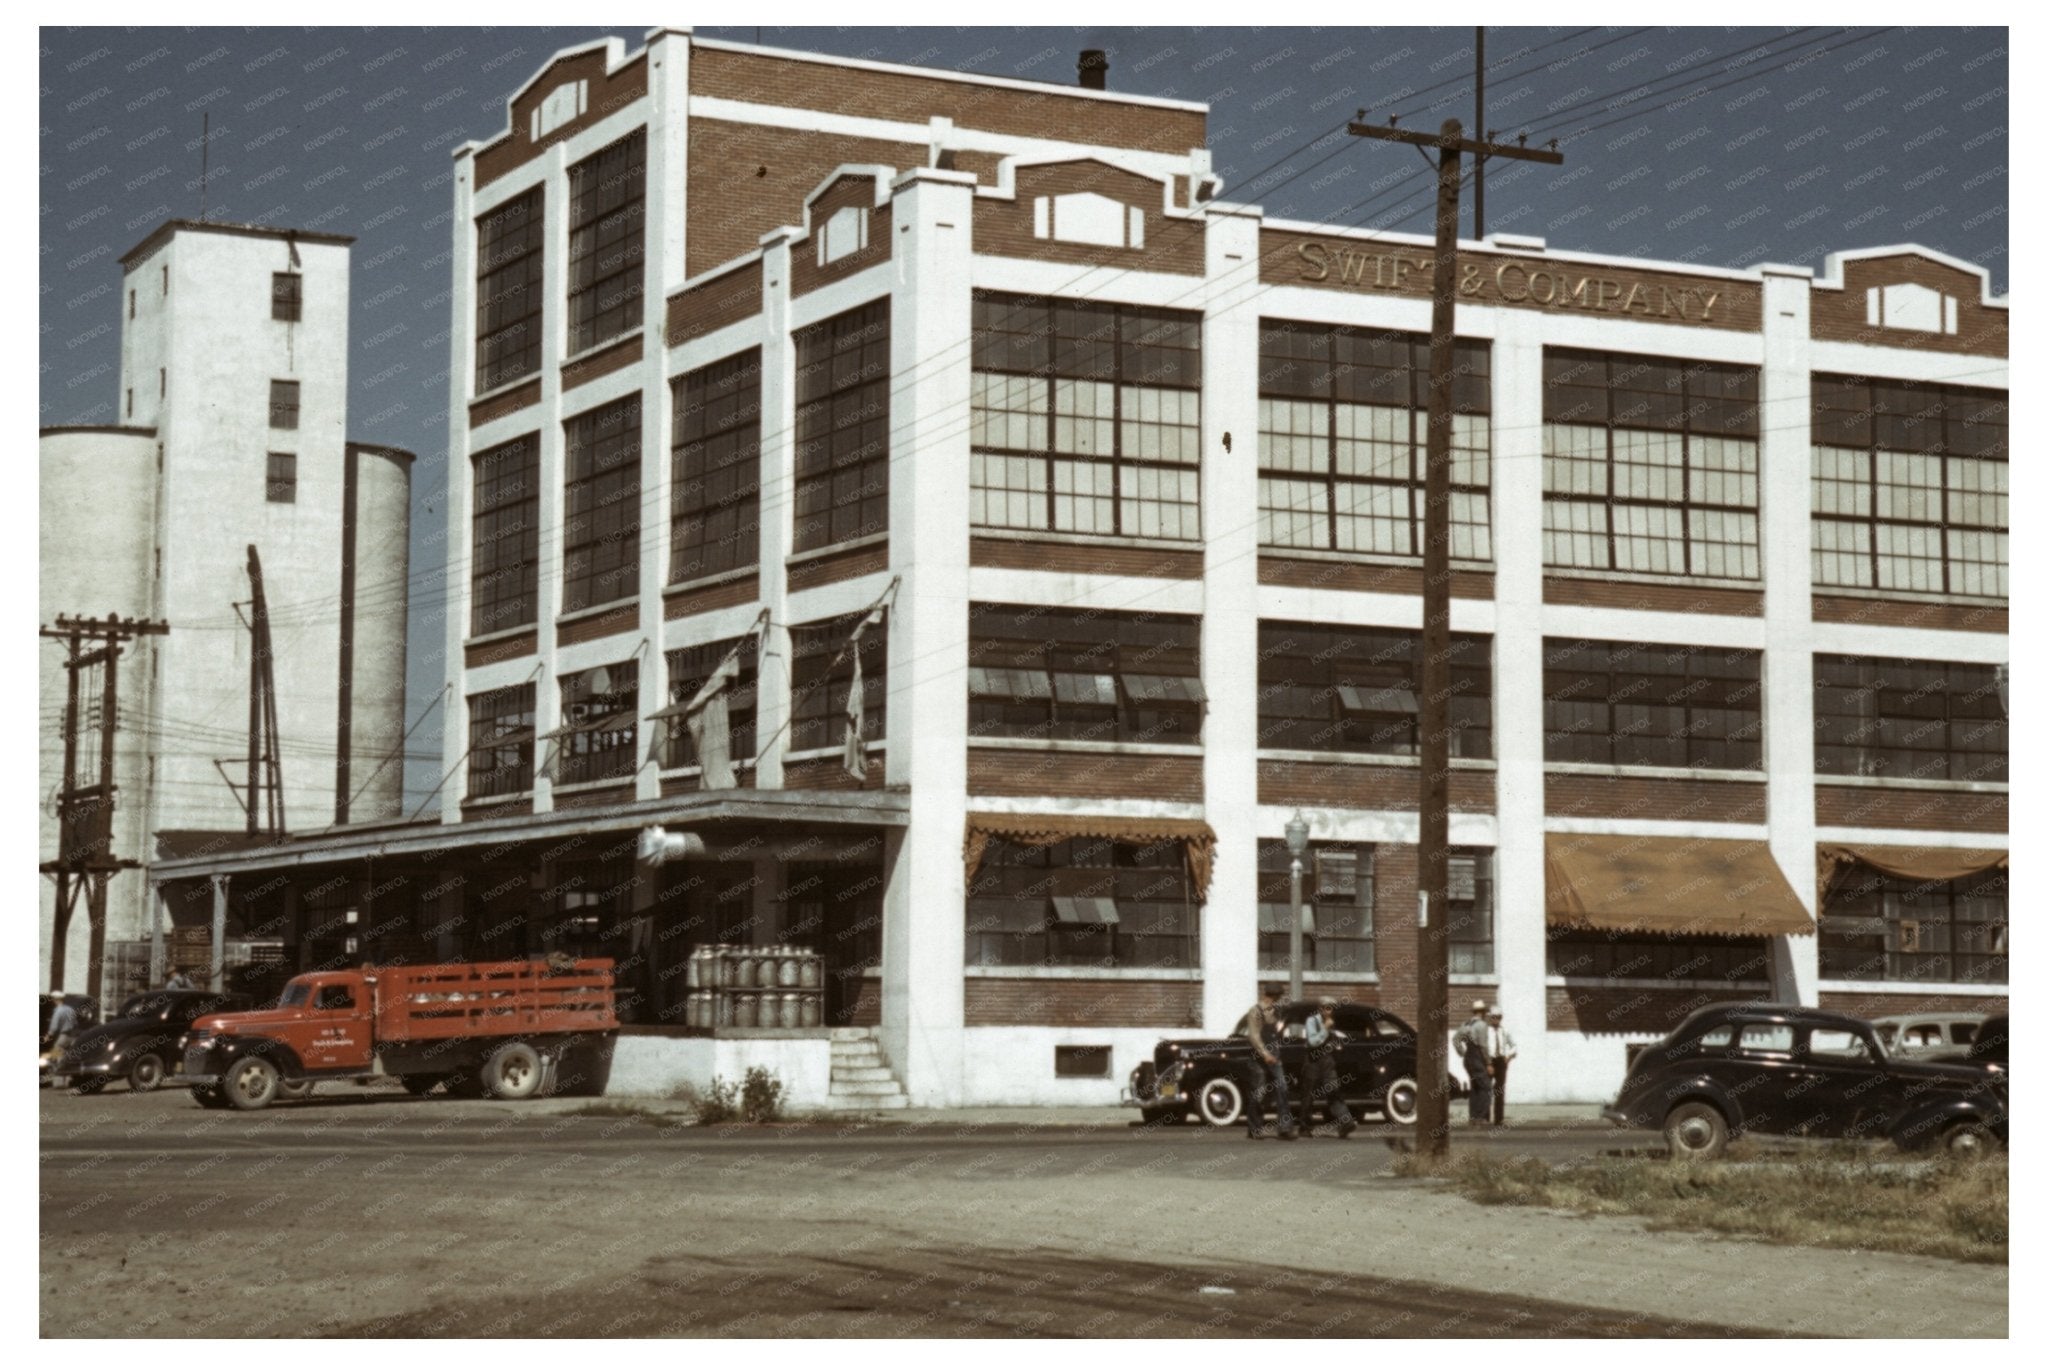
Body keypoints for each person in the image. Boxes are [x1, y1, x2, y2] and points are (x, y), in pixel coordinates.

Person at [1240, 983, 1296, 1140]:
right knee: (1259, 1093)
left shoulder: (1276, 1011)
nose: (1275, 1000)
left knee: (1282, 1088)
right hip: (1259, 1057)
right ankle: (1254, 1127)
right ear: (1271, 996)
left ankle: (1285, 1128)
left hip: (1274, 1055)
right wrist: (1265, 1054)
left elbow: (1276, 1033)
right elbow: (1254, 1036)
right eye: (1275, 997)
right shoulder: (1255, 1011)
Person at [1295, 997, 1357, 1138]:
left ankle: (1346, 1122)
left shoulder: (1331, 1023)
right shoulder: (1312, 1021)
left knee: (1333, 1090)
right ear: (1321, 1008)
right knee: (1308, 1095)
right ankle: (1305, 1126)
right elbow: (1313, 1041)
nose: (1330, 1011)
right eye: (1327, 1008)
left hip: (1328, 1061)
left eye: (1332, 1008)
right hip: (1313, 1061)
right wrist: (1325, 1028)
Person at [1453, 998, 1493, 1127]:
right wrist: (1488, 1063)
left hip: (1468, 1058)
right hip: (1477, 1057)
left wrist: (1462, 1053)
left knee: (1475, 1087)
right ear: (1481, 1012)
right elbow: (1483, 1046)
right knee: (1486, 1087)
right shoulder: (1482, 1025)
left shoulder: (1466, 1024)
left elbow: (1455, 1039)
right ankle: (1481, 1117)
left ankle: (1473, 1117)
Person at [1485, 1007, 1518, 1125]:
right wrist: (1487, 1062)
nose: (1496, 1020)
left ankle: (1499, 1119)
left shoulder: (1504, 1031)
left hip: (1500, 1062)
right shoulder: (1486, 1031)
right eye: (1494, 1017)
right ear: (1490, 1018)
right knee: (1487, 1089)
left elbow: (1514, 1046)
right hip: (1489, 1060)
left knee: (1499, 1090)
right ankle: (1486, 1117)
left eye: (1498, 1017)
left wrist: (1508, 1057)